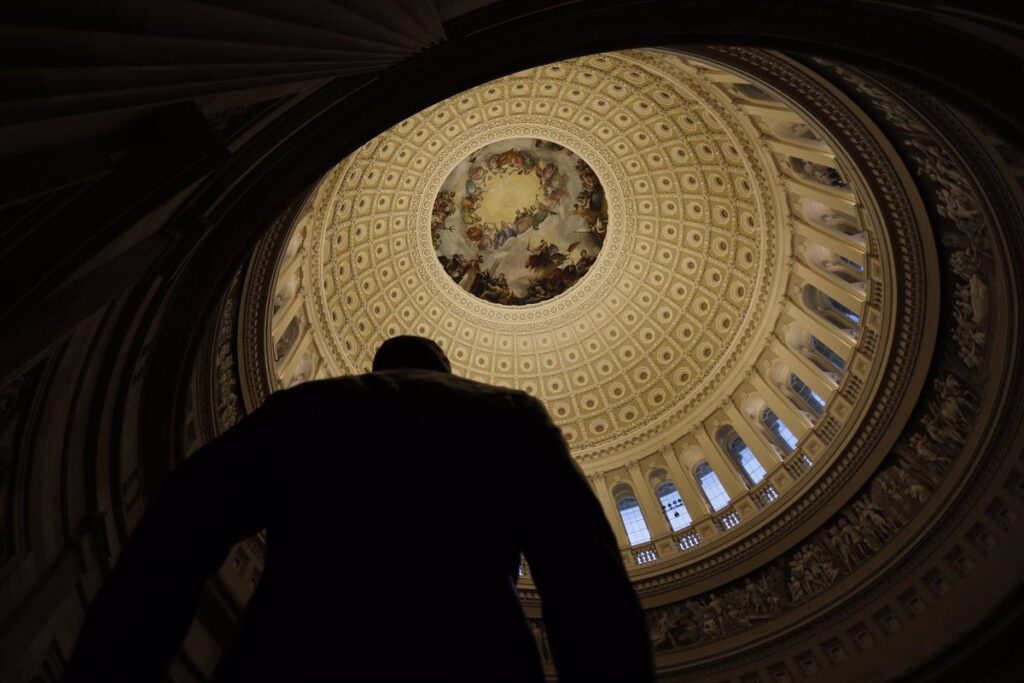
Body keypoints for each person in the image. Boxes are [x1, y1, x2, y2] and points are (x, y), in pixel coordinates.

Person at [65, 336, 654, 682]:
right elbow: (588, 584)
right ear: (443, 369)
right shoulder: (508, 414)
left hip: (297, 653)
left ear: (377, 367)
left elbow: (184, 520)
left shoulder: (311, 405)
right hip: (473, 656)